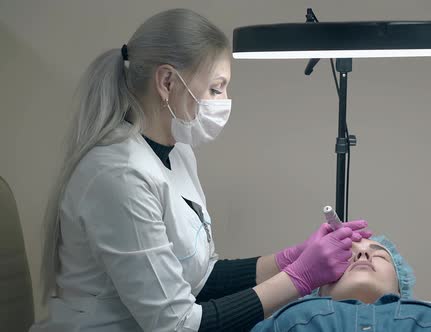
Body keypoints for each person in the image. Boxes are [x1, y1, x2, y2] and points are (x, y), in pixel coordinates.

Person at [29, 8, 372, 332]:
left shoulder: (177, 154)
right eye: (215, 88)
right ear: (167, 82)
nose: (223, 101)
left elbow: (199, 277)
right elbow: (176, 325)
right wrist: (300, 277)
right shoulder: (118, 176)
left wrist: (289, 258)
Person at [252, 236, 431, 332]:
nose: (363, 253)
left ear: (401, 286)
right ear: (317, 287)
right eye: (345, 257)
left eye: (380, 256)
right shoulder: (292, 319)